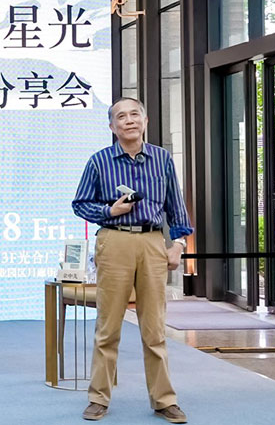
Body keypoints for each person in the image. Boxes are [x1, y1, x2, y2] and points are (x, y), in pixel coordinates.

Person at [71, 98, 192, 423]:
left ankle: (164, 400)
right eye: (121, 117)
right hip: (114, 240)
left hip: (153, 242)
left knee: (154, 328)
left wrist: (178, 244)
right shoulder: (99, 161)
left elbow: (176, 205)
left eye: (134, 114)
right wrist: (109, 210)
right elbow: (80, 203)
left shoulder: (162, 159)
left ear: (145, 120)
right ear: (112, 127)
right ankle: (98, 398)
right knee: (108, 326)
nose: (129, 120)